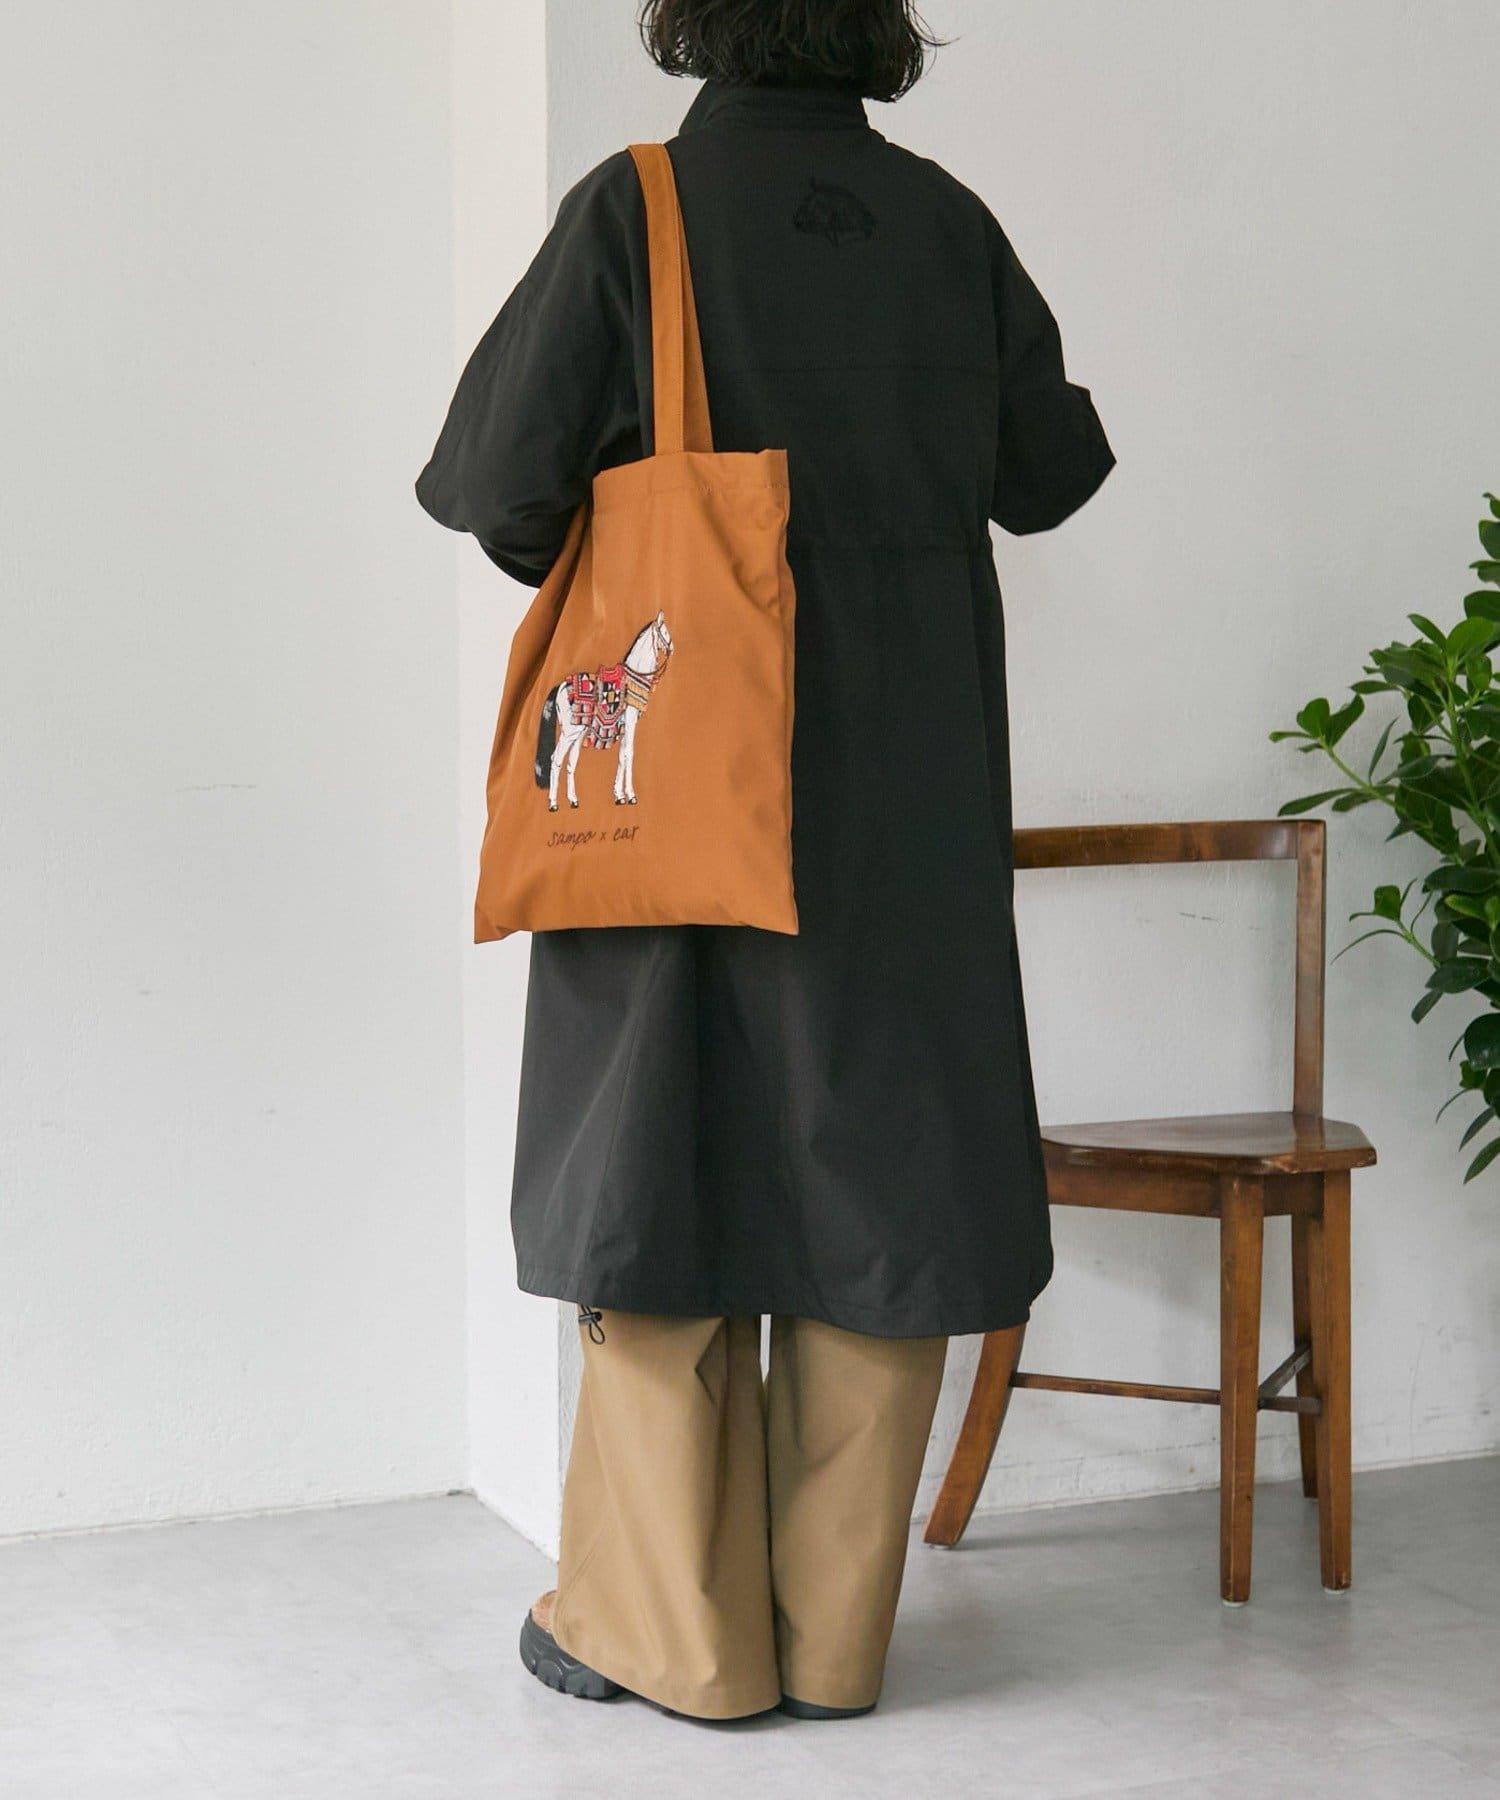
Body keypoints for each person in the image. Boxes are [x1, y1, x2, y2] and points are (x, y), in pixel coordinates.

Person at [416, 0, 1113, 1722]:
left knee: (657, 1159)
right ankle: (835, 1642)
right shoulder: (947, 226)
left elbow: (497, 486)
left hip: (681, 786)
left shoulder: (637, 211)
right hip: (913, 796)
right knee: (888, 1180)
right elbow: (1049, 474)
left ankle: (676, 1640)